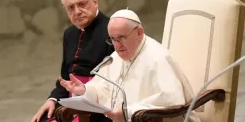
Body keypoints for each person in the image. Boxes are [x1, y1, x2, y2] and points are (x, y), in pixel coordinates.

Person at [59, 9, 195, 122]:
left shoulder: (158, 58)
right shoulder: (116, 57)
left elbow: (171, 100)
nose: (117, 46)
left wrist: (128, 112)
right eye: (112, 39)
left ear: (139, 32)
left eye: (122, 38)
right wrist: (84, 90)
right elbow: (104, 89)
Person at [31, 0, 114, 122]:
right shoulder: (69, 33)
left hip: (100, 105)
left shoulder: (113, 29)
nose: (77, 11)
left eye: (82, 4)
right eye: (71, 7)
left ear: (95, 1)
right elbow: (65, 76)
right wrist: (52, 99)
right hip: (70, 101)